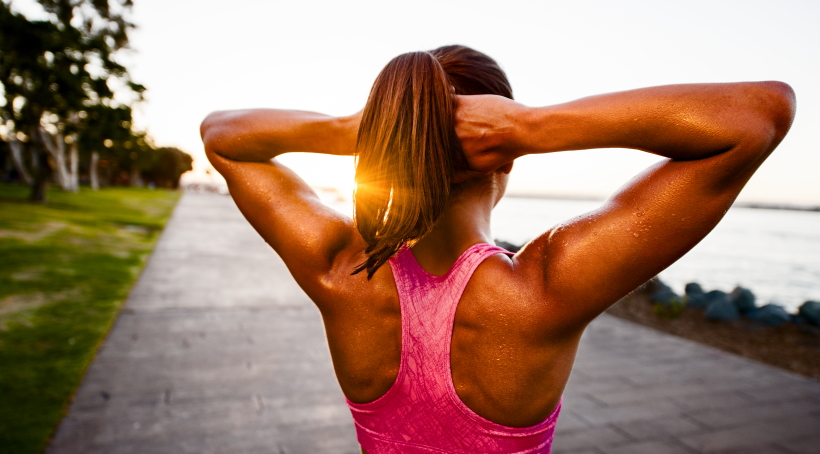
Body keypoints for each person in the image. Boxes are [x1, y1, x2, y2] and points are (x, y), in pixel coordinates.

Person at [200, 45, 795, 454]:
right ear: (503, 155)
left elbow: (222, 136)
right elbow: (759, 115)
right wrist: (535, 126)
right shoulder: (543, 291)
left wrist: (356, 130)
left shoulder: (339, 268)